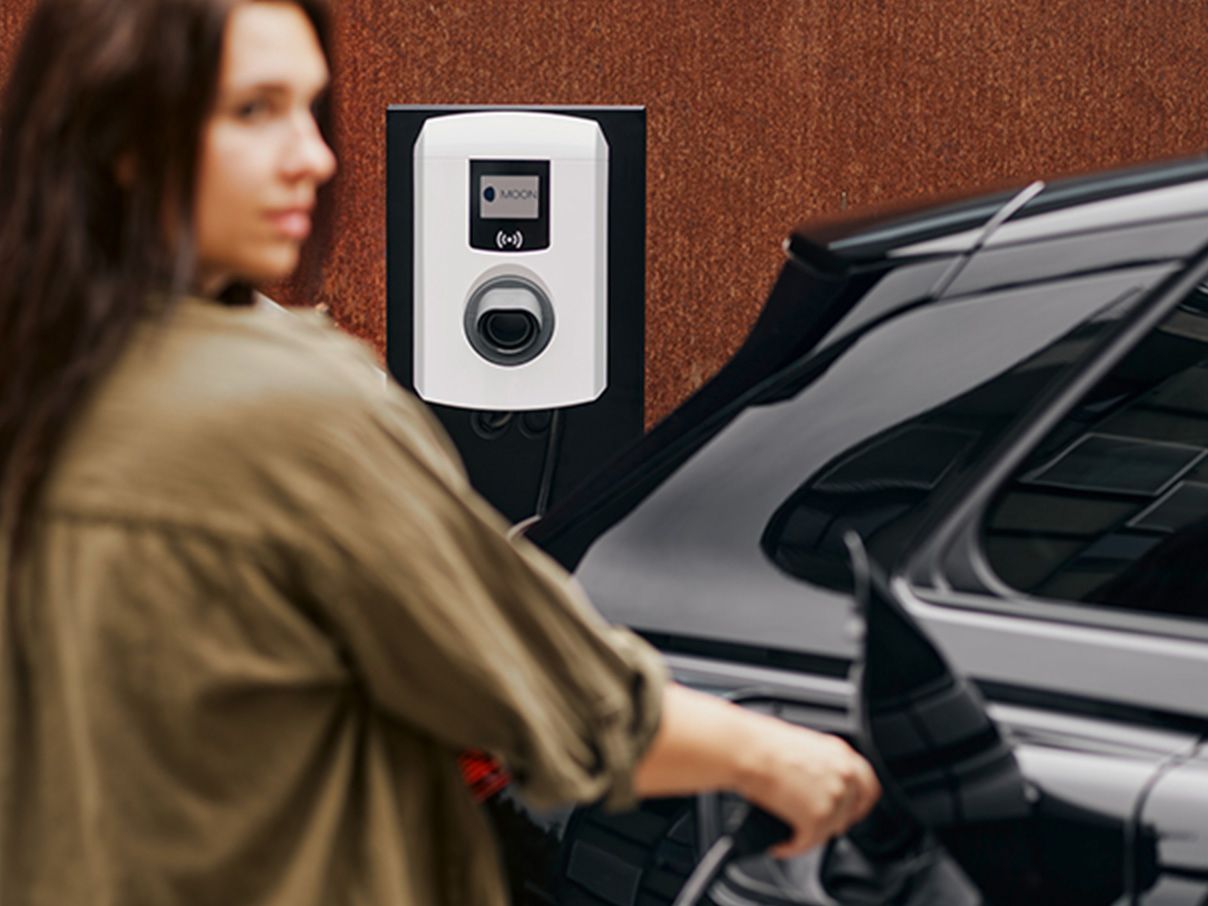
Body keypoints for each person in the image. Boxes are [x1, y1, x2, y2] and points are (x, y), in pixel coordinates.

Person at [0, 1, 880, 904]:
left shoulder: (41, 384)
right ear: (121, 136)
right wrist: (780, 761)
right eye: (255, 110)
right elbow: (557, 694)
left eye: (310, 108)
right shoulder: (290, 405)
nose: (314, 157)